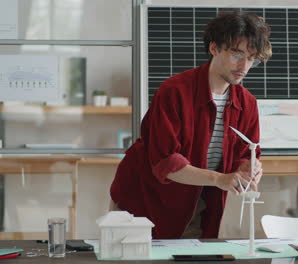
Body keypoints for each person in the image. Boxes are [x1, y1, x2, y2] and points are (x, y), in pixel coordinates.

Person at [110, 10, 272, 239]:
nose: (244, 66)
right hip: (144, 201)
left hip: (197, 202)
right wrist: (219, 179)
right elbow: (166, 162)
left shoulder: (247, 104)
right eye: (237, 54)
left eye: (252, 58)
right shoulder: (174, 92)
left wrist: (247, 168)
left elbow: (246, 153)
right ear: (214, 48)